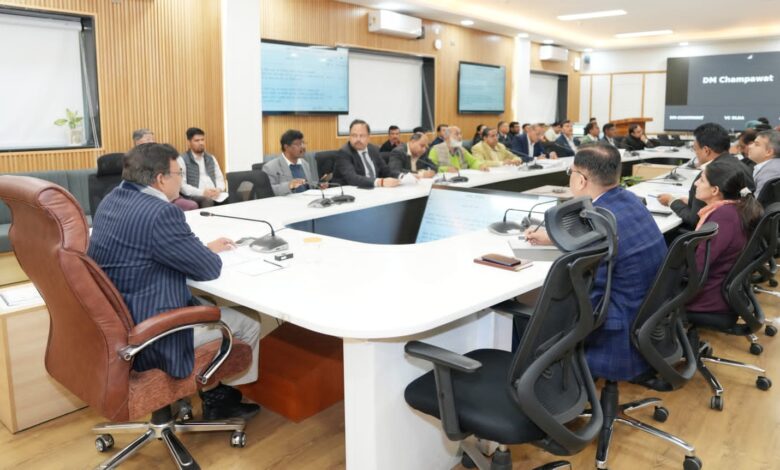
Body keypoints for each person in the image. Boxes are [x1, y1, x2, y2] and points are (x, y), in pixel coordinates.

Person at [88, 143, 262, 420]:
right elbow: (208, 268)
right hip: (154, 334)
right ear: (160, 179)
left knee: (208, 301)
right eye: (179, 173)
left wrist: (198, 248)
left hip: (120, 323)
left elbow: (145, 248)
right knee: (249, 321)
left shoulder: (112, 199)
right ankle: (220, 398)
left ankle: (203, 393)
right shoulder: (161, 213)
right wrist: (204, 253)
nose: (181, 180)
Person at [525, 143, 667, 381]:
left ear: (581, 180)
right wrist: (553, 237)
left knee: (533, 309)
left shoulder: (599, 221)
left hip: (617, 334)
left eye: (570, 172)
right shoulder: (628, 201)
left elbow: (589, 293)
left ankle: (540, 385)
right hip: (648, 324)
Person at [685, 157, 763, 316]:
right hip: (721, 290)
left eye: (701, 180)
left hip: (708, 298)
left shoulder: (722, 218)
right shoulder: (735, 208)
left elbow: (697, 267)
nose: (696, 184)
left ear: (715, 190)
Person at [657, 123, 740, 229]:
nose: (695, 153)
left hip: (707, 232)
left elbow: (694, 219)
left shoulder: (711, 174)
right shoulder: (737, 164)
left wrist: (671, 201)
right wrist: (691, 202)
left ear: (706, 150)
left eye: (695, 149)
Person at [130, 129, 198, 211]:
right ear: (137, 142)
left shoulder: (159, 156)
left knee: (191, 205)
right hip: (150, 198)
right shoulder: (133, 161)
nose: (152, 142)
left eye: (153, 139)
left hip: (170, 195)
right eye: (148, 139)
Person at [334, 119, 400, 188]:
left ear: (368, 137)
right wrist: (380, 182)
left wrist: (401, 176)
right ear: (349, 137)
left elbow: (386, 170)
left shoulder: (373, 149)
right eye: (354, 135)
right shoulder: (344, 153)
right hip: (349, 191)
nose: (358, 139)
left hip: (374, 190)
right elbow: (352, 178)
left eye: (362, 136)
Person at [177, 127, 227, 207]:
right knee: (207, 201)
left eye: (202, 140)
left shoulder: (211, 158)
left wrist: (218, 189)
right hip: (196, 195)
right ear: (189, 142)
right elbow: (182, 186)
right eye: (197, 140)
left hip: (214, 193)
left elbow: (219, 178)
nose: (201, 143)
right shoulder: (182, 159)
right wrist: (202, 192)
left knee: (230, 197)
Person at [263, 129, 321, 196]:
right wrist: (289, 185)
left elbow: (308, 185)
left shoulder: (305, 163)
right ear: (286, 147)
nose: (303, 147)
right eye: (298, 144)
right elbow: (269, 191)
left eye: (303, 143)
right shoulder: (271, 167)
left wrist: (318, 185)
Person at [748, 129, 780, 197]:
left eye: (756, 144)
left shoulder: (771, 171)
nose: (750, 146)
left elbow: (758, 202)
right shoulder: (773, 166)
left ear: (769, 152)